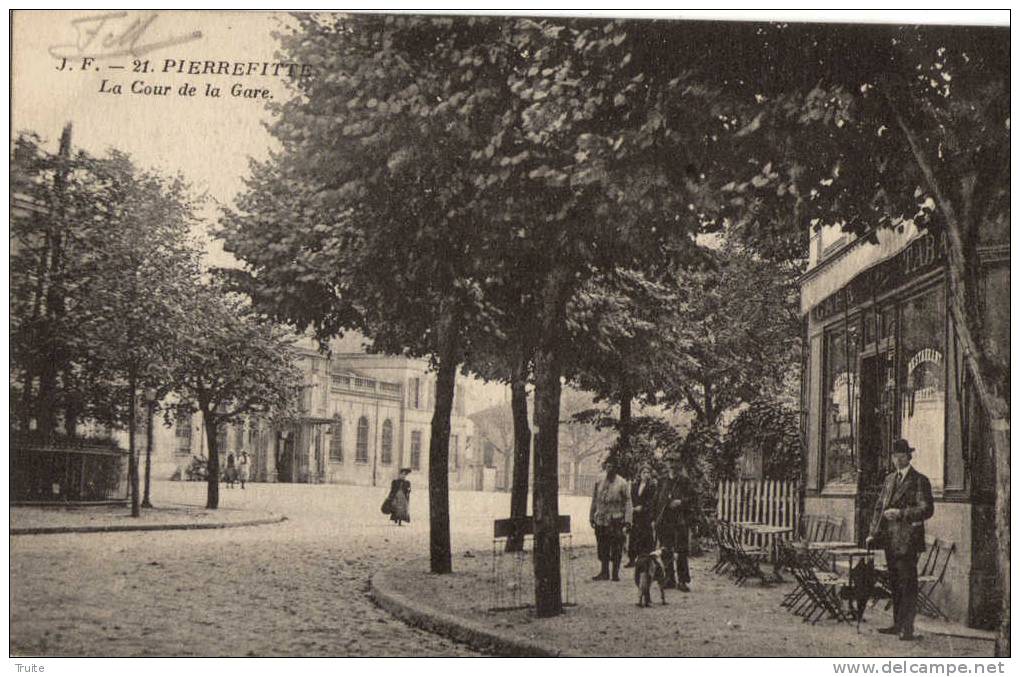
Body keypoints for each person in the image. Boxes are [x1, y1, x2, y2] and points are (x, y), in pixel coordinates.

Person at [867, 438, 934, 641]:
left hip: (908, 540)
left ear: (909, 457)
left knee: (908, 584)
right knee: (895, 583)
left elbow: (927, 509)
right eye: (894, 456)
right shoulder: (889, 480)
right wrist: (873, 532)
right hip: (890, 538)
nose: (897, 460)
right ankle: (897, 624)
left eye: (901, 456)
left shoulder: (919, 480)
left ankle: (908, 629)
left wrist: (901, 513)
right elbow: (879, 508)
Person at [589, 459, 632, 582]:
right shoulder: (599, 480)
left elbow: (628, 502)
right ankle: (604, 572)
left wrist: (628, 520)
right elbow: (595, 499)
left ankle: (615, 573)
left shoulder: (622, 483)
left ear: (616, 469)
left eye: (612, 467)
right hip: (601, 519)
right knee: (602, 546)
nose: (609, 469)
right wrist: (591, 515)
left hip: (615, 519)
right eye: (607, 466)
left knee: (616, 547)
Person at [655, 462, 693, 591]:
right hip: (665, 521)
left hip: (680, 521)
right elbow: (657, 499)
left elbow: (692, 499)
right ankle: (669, 579)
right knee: (666, 550)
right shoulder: (662, 481)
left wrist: (681, 502)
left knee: (681, 551)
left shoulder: (685, 481)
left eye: (675, 467)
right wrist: (655, 518)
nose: (673, 469)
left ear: (679, 468)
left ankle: (682, 581)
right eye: (670, 466)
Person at [624, 464, 657, 568]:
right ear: (640, 474)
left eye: (648, 473)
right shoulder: (635, 485)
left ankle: (647, 560)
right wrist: (632, 508)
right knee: (634, 536)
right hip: (635, 515)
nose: (646, 475)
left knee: (646, 537)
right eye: (644, 472)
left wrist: (643, 507)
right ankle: (632, 559)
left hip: (646, 515)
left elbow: (652, 501)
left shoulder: (652, 486)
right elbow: (631, 498)